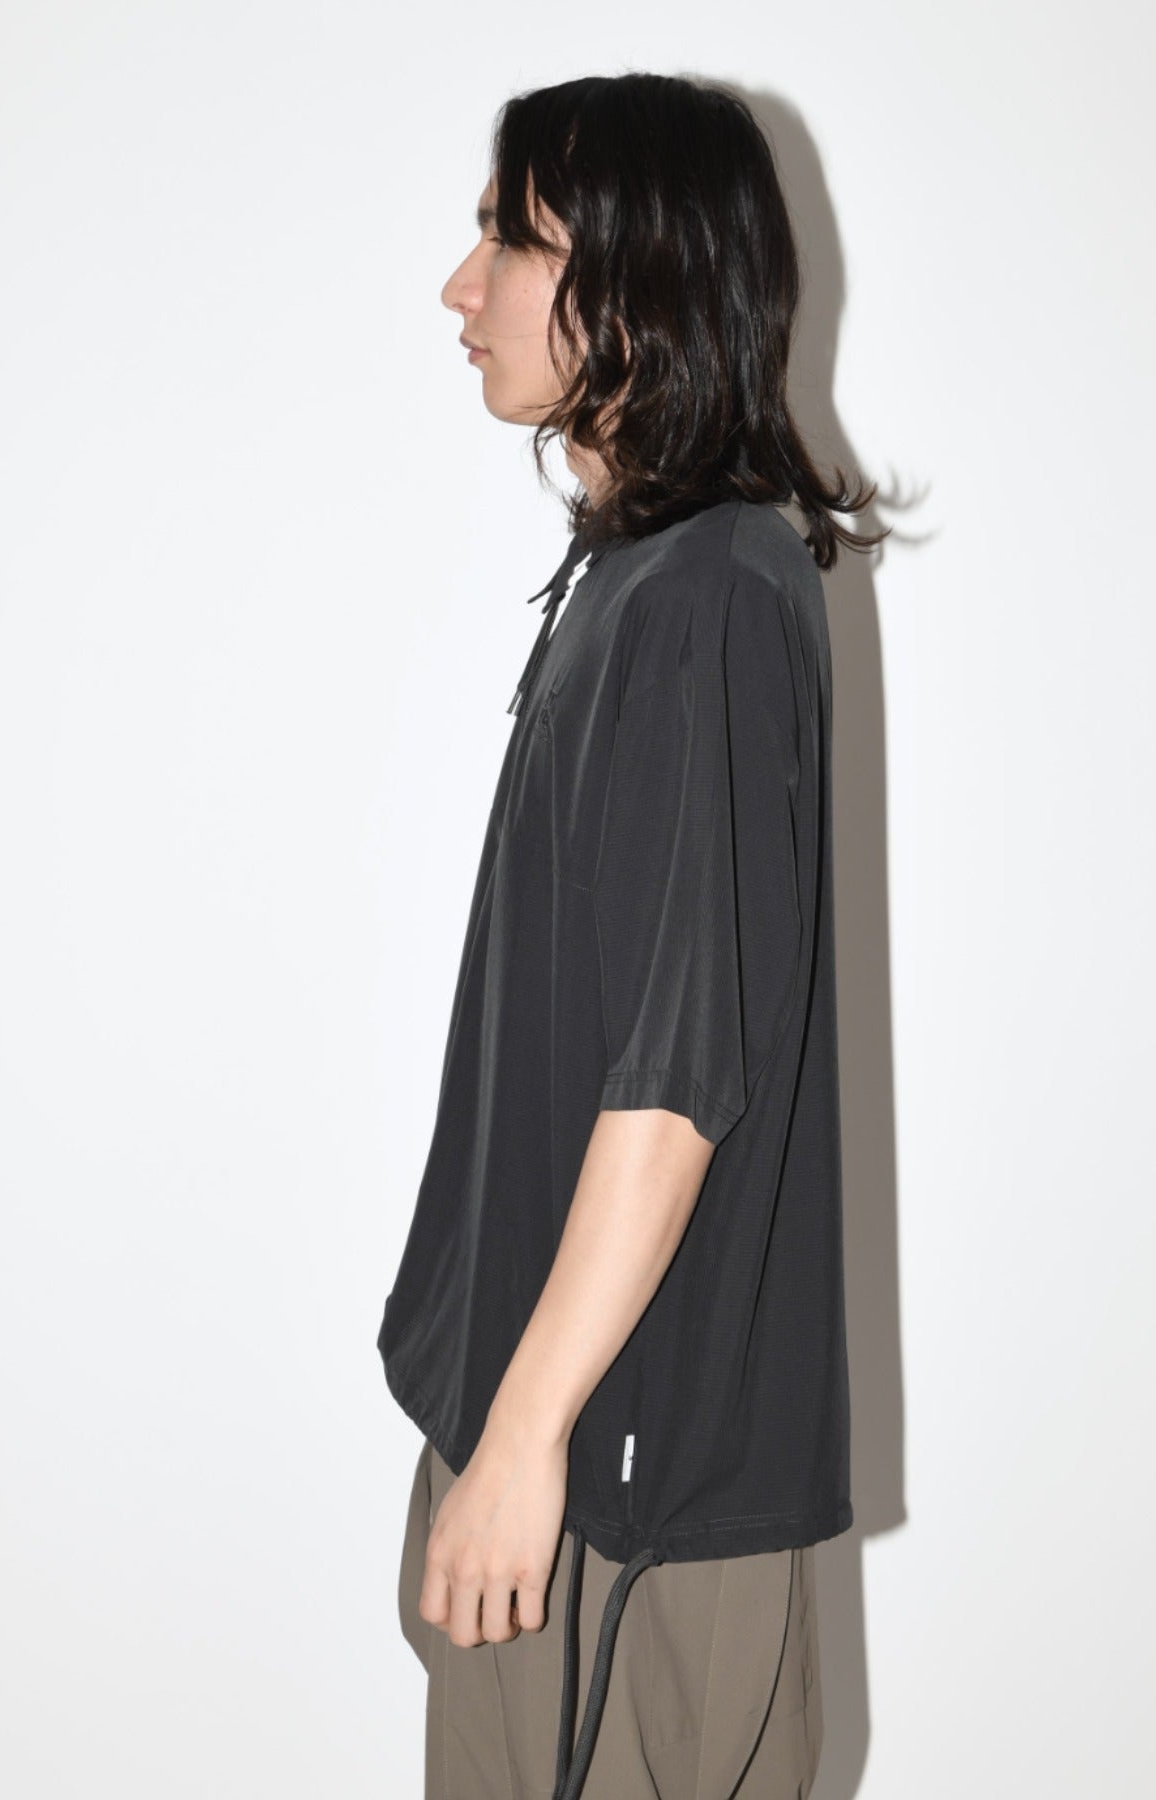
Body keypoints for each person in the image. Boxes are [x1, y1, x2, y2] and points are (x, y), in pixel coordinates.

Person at [377, 71, 888, 1800]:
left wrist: (525, 1444)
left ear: (640, 279)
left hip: (626, 1492)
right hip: (553, 1441)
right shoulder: (637, 581)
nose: (460, 286)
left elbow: (674, 1090)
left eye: (508, 241)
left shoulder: (717, 601)